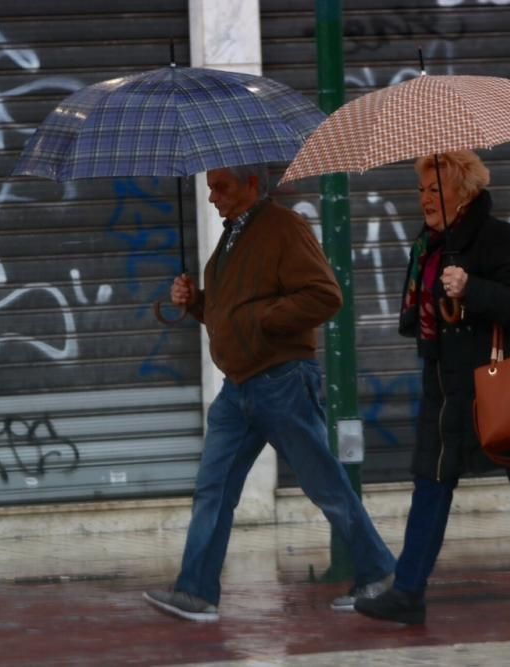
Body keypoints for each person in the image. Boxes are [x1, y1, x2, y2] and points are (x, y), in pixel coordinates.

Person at [353, 150, 510, 625]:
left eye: (436, 190)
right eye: (421, 190)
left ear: (463, 193)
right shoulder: (427, 244)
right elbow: (421, 311)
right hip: (443, 387)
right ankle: (408, 592)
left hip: (495, 388)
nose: (425, 200)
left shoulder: (499, 238)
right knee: (430, 482)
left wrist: (471, 287)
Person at [143, 164, 396, 622]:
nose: (213, 197)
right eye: (209, 189)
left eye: (222, 187)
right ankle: (196, 592)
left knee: (325, 484)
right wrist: (196, 302)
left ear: (252, 184)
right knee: (213, 489)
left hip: (280, 381)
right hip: (238, 389)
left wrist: (262, 322)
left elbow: (325, 295)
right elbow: (230, 312)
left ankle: (379, 572)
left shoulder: (282, 227)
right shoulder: (230, 238)